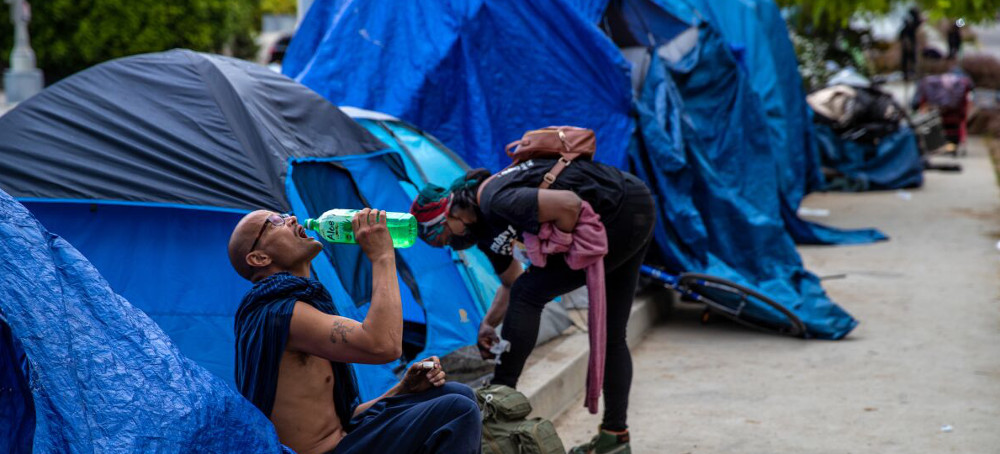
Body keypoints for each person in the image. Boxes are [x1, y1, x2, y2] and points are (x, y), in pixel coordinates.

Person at [411, 159, 655, 454]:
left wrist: (560, 245)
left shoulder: (494, 200)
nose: (452, 245)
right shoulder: (485, 231)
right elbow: (511, 280)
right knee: (609, 333)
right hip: (630, 205)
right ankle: (615, 438)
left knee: (532, 290)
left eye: (445, 237)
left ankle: (495, 404)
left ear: (450, 212)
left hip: (621, 210)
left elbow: (568, 204)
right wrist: (489, 323)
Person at [227, 208, 481, 454]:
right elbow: (384, 345)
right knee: (457, 411)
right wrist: (382, 256)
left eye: (284, 214)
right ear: (259, 258)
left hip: (343, 440)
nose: (291, 218)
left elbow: (343, 420)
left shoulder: (296, 304)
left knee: (458, 393)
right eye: (275, 221)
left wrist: (402, 389)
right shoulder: (280, 314)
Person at [899, 7, 922, 80]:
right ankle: (907, 75)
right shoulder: (906, 30)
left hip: (911, 46)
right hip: (907, 47)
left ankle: (911, 74)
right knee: (907, 61)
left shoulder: (911, 28)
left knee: (912, 60)